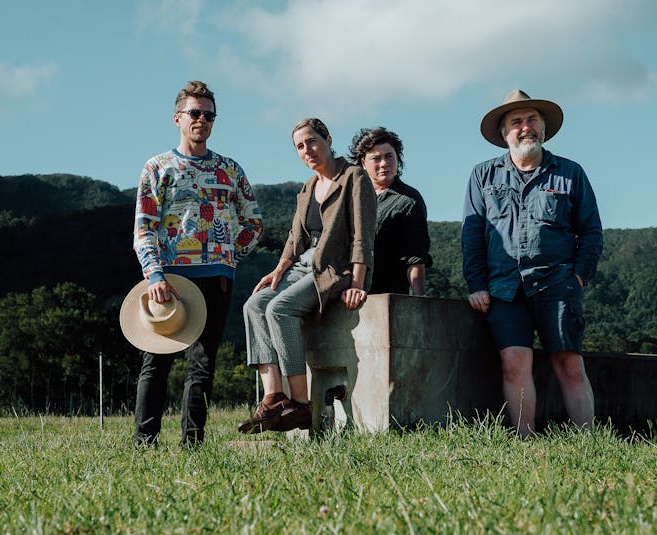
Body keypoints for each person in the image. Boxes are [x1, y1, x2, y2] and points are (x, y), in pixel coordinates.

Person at [462, 89, 603, 437]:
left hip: (558, 285)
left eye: (532, 120)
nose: (526, 127)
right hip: (505, 287)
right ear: (504, 133)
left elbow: (591, 232)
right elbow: (472, 234)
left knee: (569, 364)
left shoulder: (570, 173)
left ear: (542, 127)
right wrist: (476, 283)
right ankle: (526, 441)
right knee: (513, 363)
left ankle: (588, 442)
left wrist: (579, 278)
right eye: (517, 122)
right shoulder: (483, 176)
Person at [131, 80, 263, 446]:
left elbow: (253, 223)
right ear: (178, 118)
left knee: (203, 364)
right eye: (194, 113)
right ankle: (145, 442)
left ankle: (193, 443)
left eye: (208, 115)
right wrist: (155, 273)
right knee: (156, 361)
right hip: (170, 279)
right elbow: (144, 228)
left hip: (217, 277)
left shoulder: (230, 169)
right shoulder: (158, 167)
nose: (201, 119)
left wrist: (228, 253)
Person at [239, 118, 376, 434]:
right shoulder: (308, 187)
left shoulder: (354, 177)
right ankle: (273, 397)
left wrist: (357, 282)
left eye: (312, 141)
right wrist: (278, 269)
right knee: (255, 305)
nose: (307, 149)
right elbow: (295, 237)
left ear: (328, 139)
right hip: (302, 267)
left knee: (279, 309)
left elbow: (362, 234)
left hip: (335, 269)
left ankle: (300, 404)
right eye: (300, 146)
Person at [348, 127, 432, 295]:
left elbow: (415, 256)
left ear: (398, 158)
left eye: (389, 156)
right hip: (346, 291)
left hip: (386, 295)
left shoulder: (409, 200)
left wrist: (419, 299)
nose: (384, 164)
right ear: (363, 163)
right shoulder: (351, 196)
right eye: (376, 158)